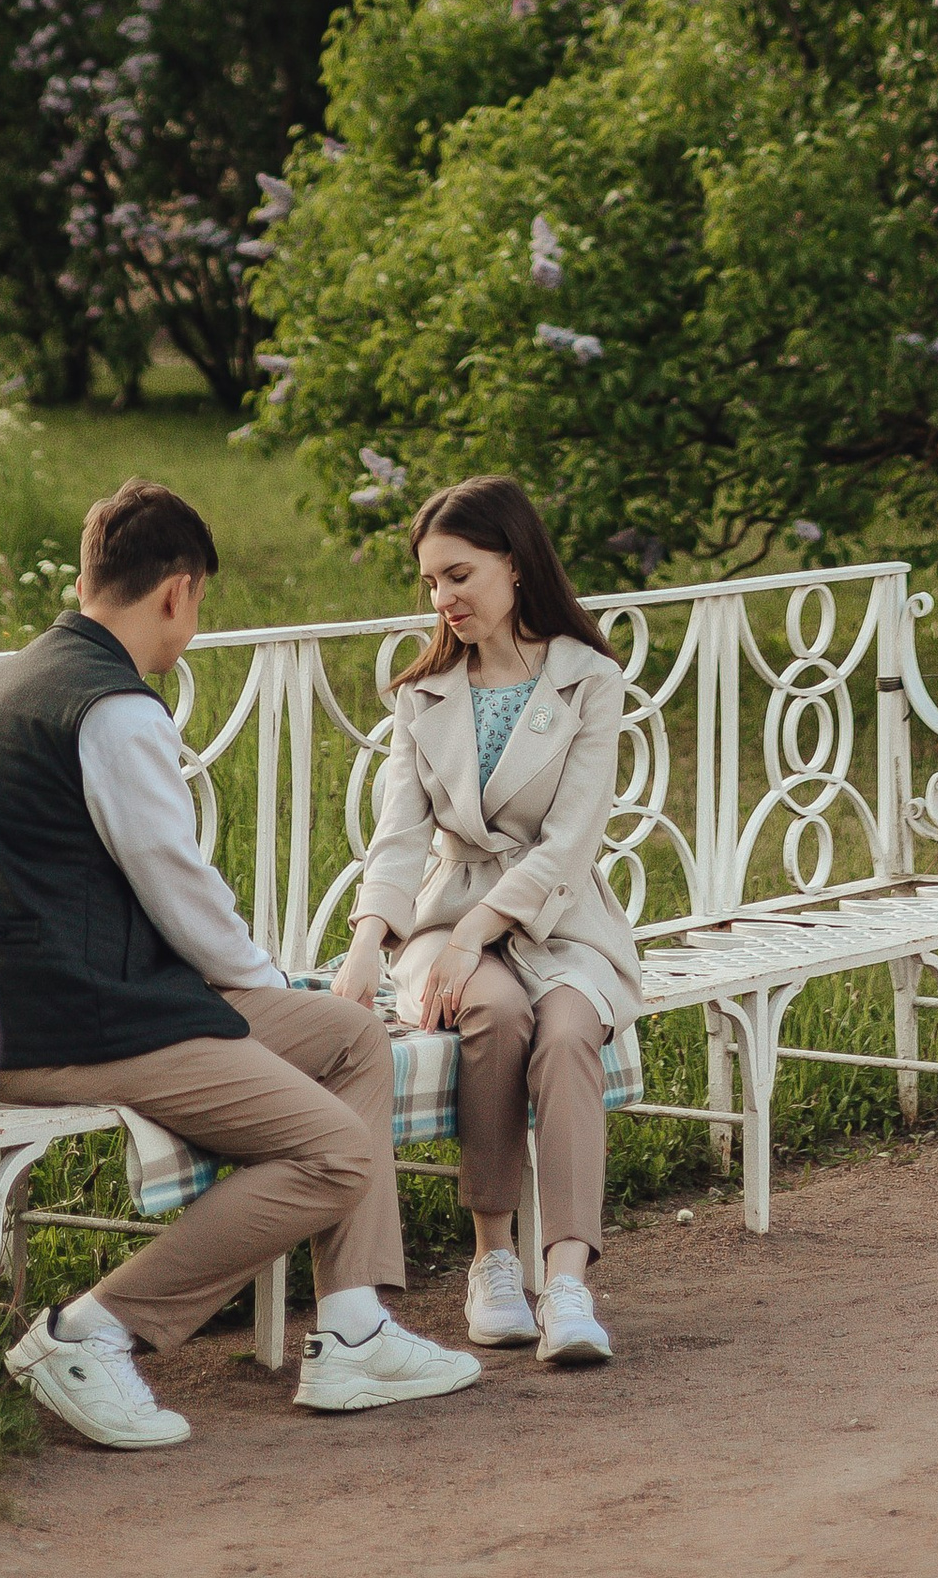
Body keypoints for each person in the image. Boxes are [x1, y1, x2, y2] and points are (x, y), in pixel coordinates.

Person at [0, 476, 480, 1449]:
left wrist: (269, 998)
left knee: (353, 1035)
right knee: (333, 1151)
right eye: (196, 608)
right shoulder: (114, 710)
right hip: (79, 1025)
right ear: (177, 590)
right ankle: (91, 1333)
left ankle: (352, 1329)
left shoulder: (2, 685)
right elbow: (177, 888)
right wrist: (262, 986)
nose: (187, 633)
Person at [334, 474, 641, 1370]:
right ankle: (492, 1261)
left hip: (563, 920)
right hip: (447, 913)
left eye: (460, 575)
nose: (445, 600)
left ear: (514, 562)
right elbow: (398, 842)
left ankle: (571, 1280)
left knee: (569, 1027)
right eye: (431, 583)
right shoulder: (424, 694)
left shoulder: (589, 679)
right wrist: (366, 949)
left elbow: (570, 842)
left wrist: (480, 936)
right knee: (496, 1014)